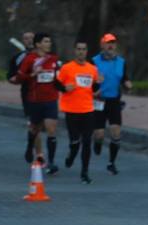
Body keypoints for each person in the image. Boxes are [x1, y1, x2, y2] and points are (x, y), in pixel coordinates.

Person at [13, 33, 60, 174]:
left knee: (51, 130)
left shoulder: (53, 59)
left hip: (51, 99)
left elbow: (59, 78)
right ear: (38, 44)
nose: (49, 44)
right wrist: (32, 74)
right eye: (46, 41)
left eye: (49, 41)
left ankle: (51, 162)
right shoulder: (29, 59)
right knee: (35, 129)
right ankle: (29, 147)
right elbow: (19, 77)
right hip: (35, 100)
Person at [55, 40, 99, 184]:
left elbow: (93, 87)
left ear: (87, 51)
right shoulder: (67, 68)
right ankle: (71, 155)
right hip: (71, 110)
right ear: (75, 51)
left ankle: (84, 173)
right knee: (75, 141)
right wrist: (64, 88)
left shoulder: (92, 69)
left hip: (87, 109)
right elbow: (56, 83)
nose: (81, 51)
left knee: (87, 142)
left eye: (84, 49)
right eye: (79, 49)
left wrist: (98, 86)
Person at [90, 34, 130, 175]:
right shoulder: (94, 61)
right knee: (99, 134)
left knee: (115, 132)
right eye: (108, 43)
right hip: (99, 101)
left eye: (113, 43)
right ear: (102, 45)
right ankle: (98, 142)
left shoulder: (121, 62)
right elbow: (88, 80)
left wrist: (127, 84)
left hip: (114, 101)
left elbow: (124, 78)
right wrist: (94, 86)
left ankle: (111, 163)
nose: (110, 46)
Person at [9, 31, 44, 162]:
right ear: (23, 41)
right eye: (26, 38)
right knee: (34, 125)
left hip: (46, 95)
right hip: (28, 95)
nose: (29, 40)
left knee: (43, 125)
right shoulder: (18, 57)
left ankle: (32, 147)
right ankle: (39, 155)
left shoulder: (46, 56)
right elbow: (11, 76)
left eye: (31, 38)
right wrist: (14, 79)